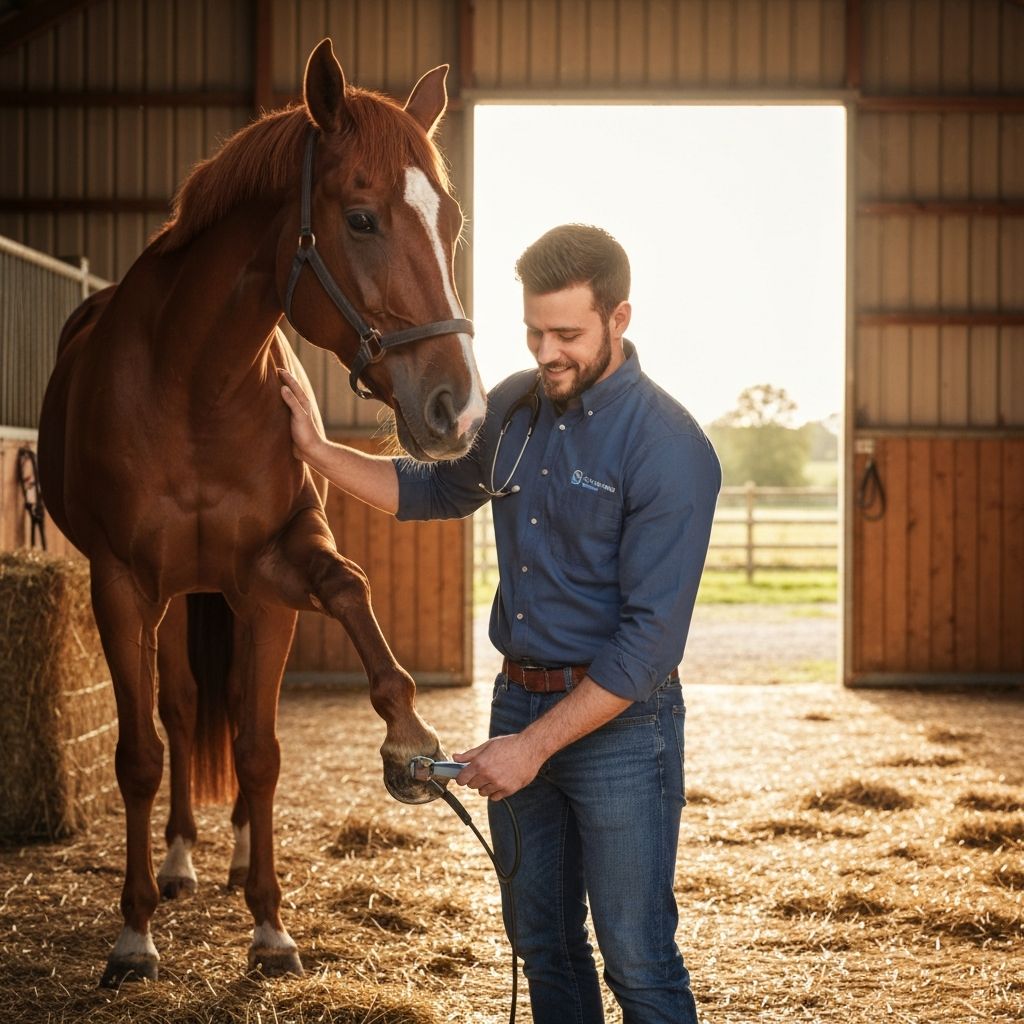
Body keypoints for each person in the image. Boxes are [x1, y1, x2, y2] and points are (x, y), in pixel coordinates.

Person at [279, 224, 720, 1024]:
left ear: (620, 319)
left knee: (638, 956)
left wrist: (531, 747)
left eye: (568, 335)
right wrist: (313, 449)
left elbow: (648, 645)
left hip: (621, 725)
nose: (546, 351)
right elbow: (432, 491)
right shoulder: (519, 404)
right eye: (533, 331)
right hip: (519, 697)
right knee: (543, 941)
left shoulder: (669, 449)